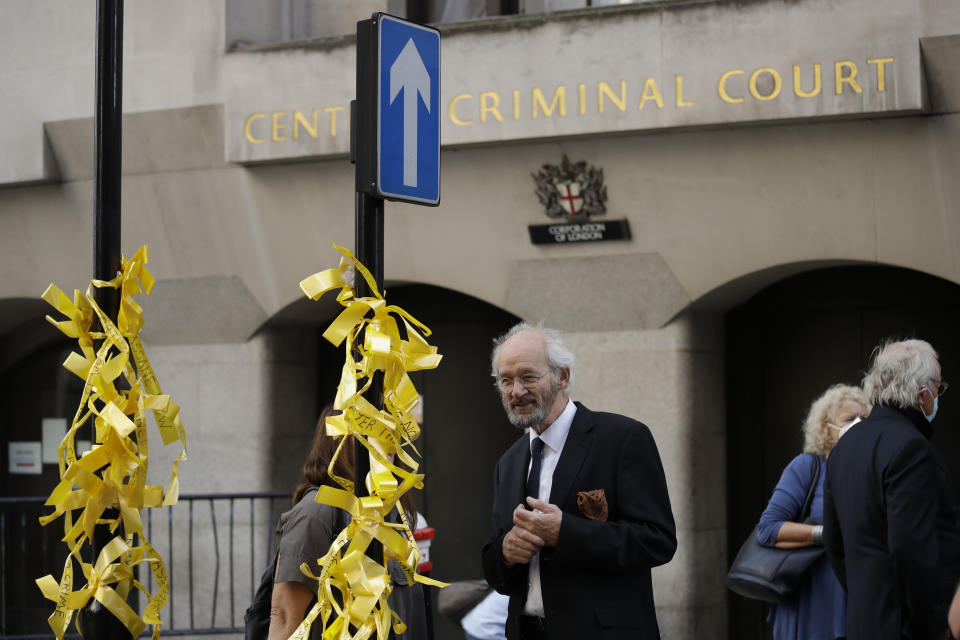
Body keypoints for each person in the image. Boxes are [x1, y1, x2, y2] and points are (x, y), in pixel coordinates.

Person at [481, 323, 676, 640]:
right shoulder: (509, 462)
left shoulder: (622, 439)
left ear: (563, 377)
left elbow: (658, 542)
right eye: (506, 381)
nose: (516, 391)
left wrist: (566, 532)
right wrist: (505, 552)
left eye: (528, 377)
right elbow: (495, 570)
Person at [823, 339, 960, 640]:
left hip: (863, 621)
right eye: (938, 387)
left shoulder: (845, 446)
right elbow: (911, 549)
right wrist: (935, 624)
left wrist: (869, 596)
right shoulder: (911, 448)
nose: (938, 395)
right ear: (922, 394)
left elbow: (835, 543)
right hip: (907, 627)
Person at [268, 407, 426, 640]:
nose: (387, 442)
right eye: (370, 430)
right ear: (339, 442)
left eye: (389, 431)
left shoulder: (391, 513)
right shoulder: (316, 512)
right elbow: (284, 618)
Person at [756, 384, 868, 640]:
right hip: (809, 598)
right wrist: (826, 534)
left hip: (855, 598)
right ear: (827, 430)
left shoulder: (869, 472)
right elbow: (768, 529)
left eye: (866, 419)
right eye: (850, 419)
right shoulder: (807, 467)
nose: (860, 424)